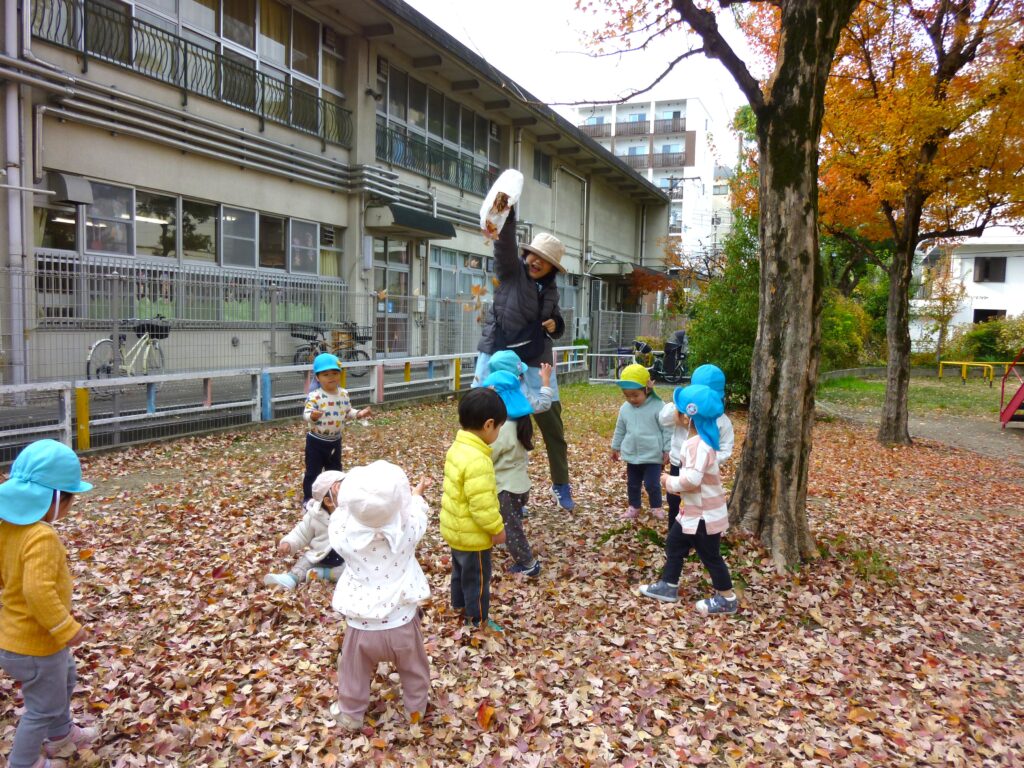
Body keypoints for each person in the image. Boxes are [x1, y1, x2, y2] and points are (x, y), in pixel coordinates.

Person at [0, 440, 97, 768]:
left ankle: (61, 736)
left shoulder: (8, 528)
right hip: (38, 643)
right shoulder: (41, 536)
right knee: (41, 707)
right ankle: (24, 763)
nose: (70, 507)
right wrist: (65, 627)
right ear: (54, 499)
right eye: (70, 499)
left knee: (65, 677)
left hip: (16, 640)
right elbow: (37, 592)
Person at [473, 206, 575, 512]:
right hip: (498, 355)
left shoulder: (552, 289)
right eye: (532, 255)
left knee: (550, 423)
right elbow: (503, 246)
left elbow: (553, 320)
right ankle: (489, 488)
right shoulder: (512, 272)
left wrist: (557, 325)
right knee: (486, 421)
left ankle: (560, 484)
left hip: (534, 359)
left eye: (542, 260)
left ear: (552, 267)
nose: (534, 262)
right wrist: (508, 213)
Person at [328, 462, 432, 731]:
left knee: (353, 672)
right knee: (414, 668)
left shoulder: (345, 538)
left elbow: (338, 518)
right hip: (402, 623)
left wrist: (341, 503)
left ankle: (351, 713)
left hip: (361, 628)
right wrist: (417, 494)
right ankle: (416, 709)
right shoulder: (407, 532)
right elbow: (419, 514)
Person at [640, 384, 739, 615]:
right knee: (674, 544)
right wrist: (680, 488)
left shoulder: (698, 445)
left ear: (687, 416)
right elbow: (697, 480)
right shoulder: (702, 442)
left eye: (678, 408)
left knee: (711, 556)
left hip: (703, 516)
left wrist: (669, 482)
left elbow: (693, 479)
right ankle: (668, 585)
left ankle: (727, 598)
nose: (675, 410)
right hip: (692, 511)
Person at [440, 388, 507, 632]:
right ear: (489, 425)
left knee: (459, 572)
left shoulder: (457, 448)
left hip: (455, 529)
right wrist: (497, 529)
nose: (498, 433)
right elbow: (482, 504)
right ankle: (477, 619)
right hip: (474, 535)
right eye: (499, 428)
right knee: (477, 579)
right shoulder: (479, 459)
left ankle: (458, 606)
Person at [480, 369, 545, 578]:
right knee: (509, 521)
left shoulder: (504, 427)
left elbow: (490, 453)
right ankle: (500, 542)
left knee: (512, 527)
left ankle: (527, 563)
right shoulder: (518, 420)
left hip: (506, 487)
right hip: (518, 484)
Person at [658, 363, 734, 533]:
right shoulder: (683, 410)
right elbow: (662, 418)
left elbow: (725, 449)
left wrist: (706, 460)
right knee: (674, 502)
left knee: (698, 504)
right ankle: (675, 536)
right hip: (679, 465)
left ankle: (700, 537)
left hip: (704, 474)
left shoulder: (721, 421)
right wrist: (678, 410)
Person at [302, 353, 371, 506]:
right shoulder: (315, 396)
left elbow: (347, 411)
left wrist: (359, 414)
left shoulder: (343, 394)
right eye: (326, 374)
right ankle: (308, 499)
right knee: (313, 472)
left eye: (334, 373)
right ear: (318, 378)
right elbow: (306, 414)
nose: (331, 377)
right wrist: (312, 416)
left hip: (335, 441)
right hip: (316, 441)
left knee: (335, 471)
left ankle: (334, 498)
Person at [264, 470, 346, 590]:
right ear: (328, 502)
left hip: (346, 558)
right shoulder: (314, 516)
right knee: (304, 562)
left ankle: (324, 575)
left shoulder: (352, 514)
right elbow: (301, 532)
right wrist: (289, 543)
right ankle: (291, 578)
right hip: (321, 555)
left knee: (352, 571)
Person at [611, 364, 671, 520]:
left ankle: (656, 507)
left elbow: (667, 429)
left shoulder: (659, 406)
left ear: (647, 389)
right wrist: (615, 447)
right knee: (632, 484)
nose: (631, 399)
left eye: (635, 395)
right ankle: (634, 507)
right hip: (633, 454)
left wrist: (667, 449)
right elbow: (620, 429)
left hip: (652, 455)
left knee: (652, 484)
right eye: (627, 395)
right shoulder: (625, 409)